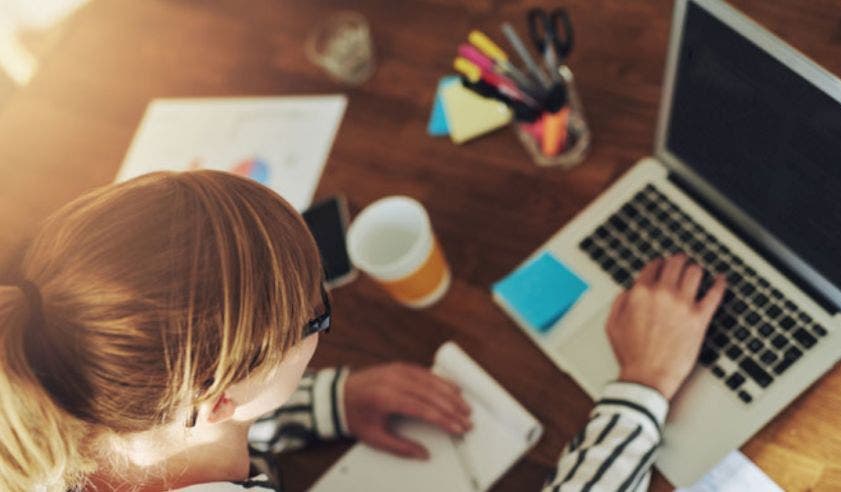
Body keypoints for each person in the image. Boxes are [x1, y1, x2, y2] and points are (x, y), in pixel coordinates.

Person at [0, 170, 723, 491]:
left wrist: (332, 401)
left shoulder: (66, 401)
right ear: (220, 399)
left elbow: (178, 441)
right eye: (316, 314)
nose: (322, 316)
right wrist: (644, 385)